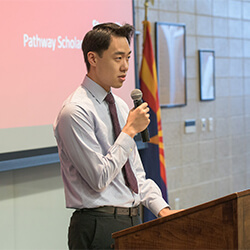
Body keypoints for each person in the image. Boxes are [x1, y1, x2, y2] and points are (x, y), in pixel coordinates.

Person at [54, 22, 179, 250]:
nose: (125, 67)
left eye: (128, 58)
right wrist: (129, 131)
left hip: (132, 220)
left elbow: (135, 174)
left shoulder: (121, 106)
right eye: (118, 58)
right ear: (93, 59)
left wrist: (162, 208)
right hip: (97, 226)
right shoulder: (75, 111)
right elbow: (98, 178)